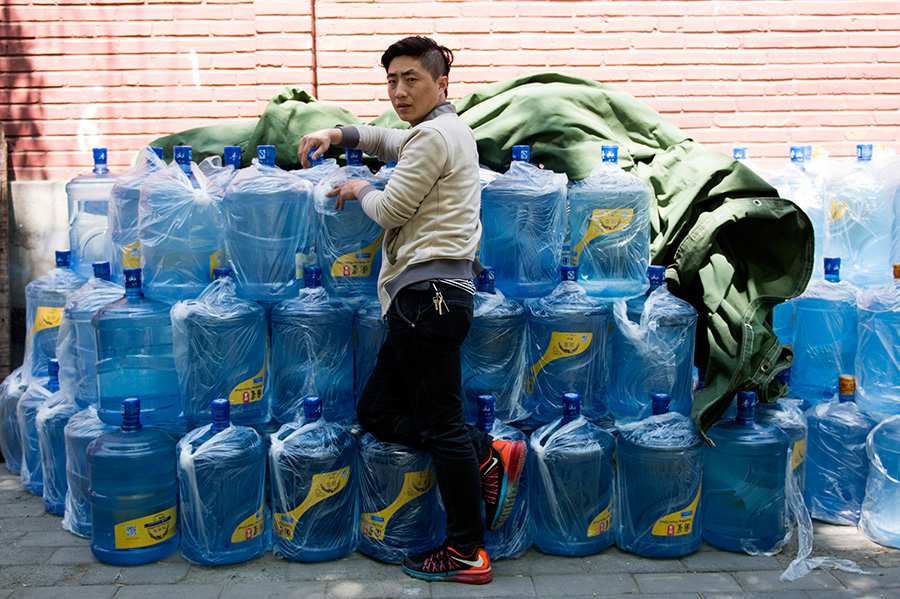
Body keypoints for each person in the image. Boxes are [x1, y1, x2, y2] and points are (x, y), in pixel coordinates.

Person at [297, 36, 525, 585]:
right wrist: (337, 133)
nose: (400, 91)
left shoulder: (435, 137)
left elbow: (392, 208)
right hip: (423, 300)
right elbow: (387, 139)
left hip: (429, 300)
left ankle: (467, 550)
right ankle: (486, 452)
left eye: (411, 80)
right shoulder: (440, 132)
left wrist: (357, 186)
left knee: (440, 425)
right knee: (377, 410)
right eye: (392, 81)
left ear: (441, 84)